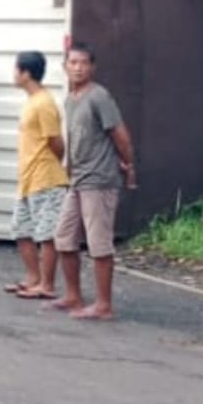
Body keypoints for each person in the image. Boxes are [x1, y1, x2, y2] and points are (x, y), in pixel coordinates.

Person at [50, 41, 137, 321]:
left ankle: (103, 305)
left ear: (92, 67)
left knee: (99, 244)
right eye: (73, 63)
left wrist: (129, 166)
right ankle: (73, 295)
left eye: (83, 63)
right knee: (63, 237)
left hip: (99, 180)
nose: (78, 68)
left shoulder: (99, 96)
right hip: (78, 179)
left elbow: (120, 134)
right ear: (65, 67)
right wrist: (69, 170)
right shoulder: (71, 98)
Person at [5, 50, 68, 300]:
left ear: (26, 73)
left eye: (16, 69)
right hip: (28, 178)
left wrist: (55, 165)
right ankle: (33, 277)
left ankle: (47, 284)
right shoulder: (31, 101)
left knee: (46, 234)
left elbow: (56, 141)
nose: (13, 74)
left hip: (46, 178)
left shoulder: (44, 103)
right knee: (21, 229)